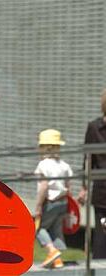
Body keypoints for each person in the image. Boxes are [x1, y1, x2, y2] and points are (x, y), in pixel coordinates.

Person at [34, 129, 72, 269]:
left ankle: (52, 251)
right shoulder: (64, 165)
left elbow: (43, 187)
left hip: (50, 203)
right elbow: (69, 185)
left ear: (44, 147)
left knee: (39, 229)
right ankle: (58, 260)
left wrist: (38, 206)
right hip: (63, 202)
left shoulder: (43, 165)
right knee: (56, 229)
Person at [78, 88, 106, 259]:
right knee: (102, 238)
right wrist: (84, 186)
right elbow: (88, 159)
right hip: (103, 191)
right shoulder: (94, 127)